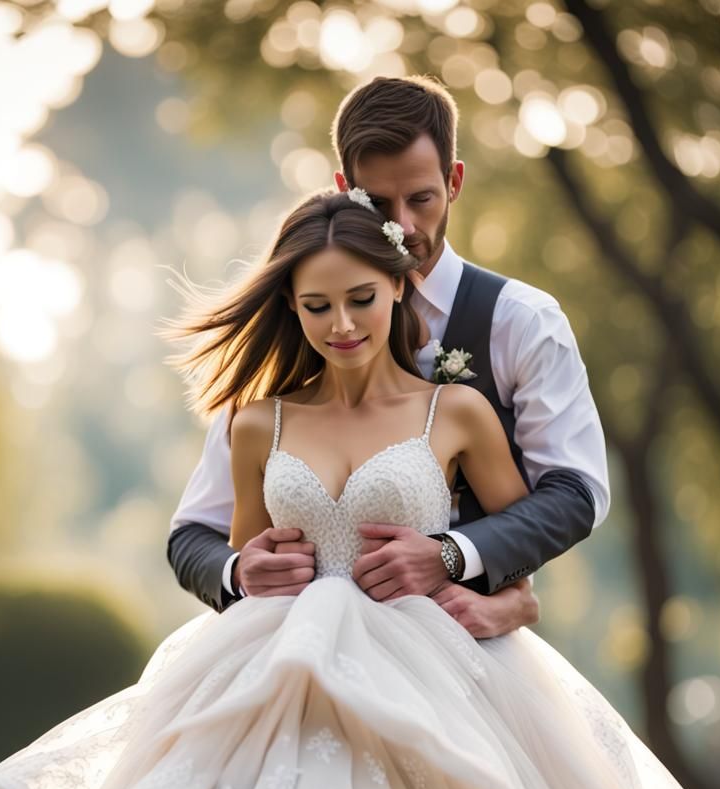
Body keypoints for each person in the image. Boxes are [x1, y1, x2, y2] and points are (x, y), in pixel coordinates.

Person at [0, 189, 720, 789]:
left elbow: (520, 580)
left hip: (429, 686)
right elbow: (238, 554)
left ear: (401, 287)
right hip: (284, 690)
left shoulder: (460, 412)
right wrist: (243, 568)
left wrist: (488, 596)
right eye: (317, 306)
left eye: (361, 298)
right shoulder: (254, 424)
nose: (341, 324)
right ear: (290, 307)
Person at [168, 76, 610, 643]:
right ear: (342, 191)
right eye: (378, 203)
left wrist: (461, 562)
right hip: (297, 645)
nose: (402, 226)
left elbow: (575, 493)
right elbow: (196, 533)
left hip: (451, 642)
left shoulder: (521, 321)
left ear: (453, 182)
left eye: (421, 198)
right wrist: (238, 572)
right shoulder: (305, 331)